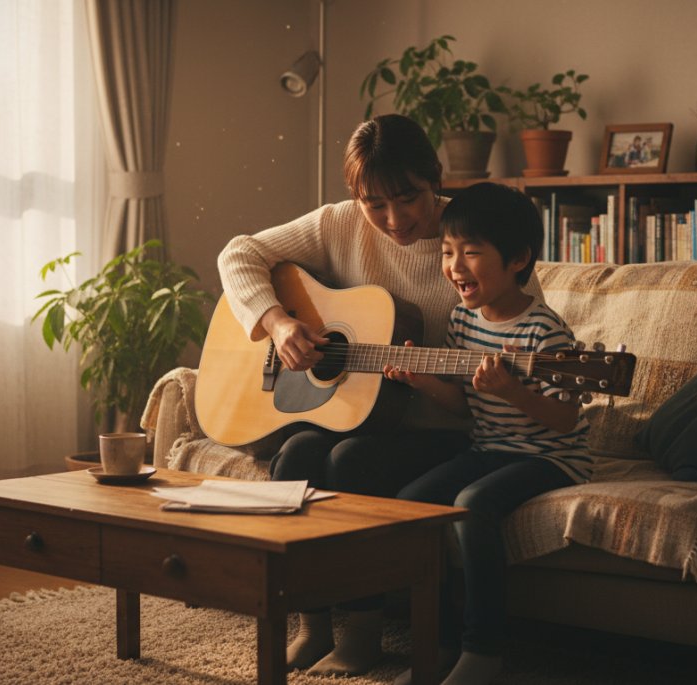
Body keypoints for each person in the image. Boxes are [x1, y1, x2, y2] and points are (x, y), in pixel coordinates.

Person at [216, 114, 539, 677]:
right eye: (374, 204)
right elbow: (238, 253)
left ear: (434, 177)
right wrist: (277, 322)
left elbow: (520, 325)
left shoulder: (476, 237)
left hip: (442, 428)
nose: (395, 219)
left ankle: (362, 632)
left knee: (349, 461)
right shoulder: (338, 225)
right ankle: (314, 625)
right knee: (294, 457)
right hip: (356, 411)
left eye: (409, 197)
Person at [386, 182, 591, 685]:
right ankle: (437, 644)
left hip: (550, 457)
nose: (455, 267)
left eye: (471, 253)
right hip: (489, 447)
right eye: (448, 252)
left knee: (474, 504)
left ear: (519, 258)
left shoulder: (545, 331)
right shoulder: (462, 320)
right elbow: (462, 406)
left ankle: (484, 652)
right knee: (409, 505)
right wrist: (425, 382)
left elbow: (567, 421)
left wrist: (515, 393)